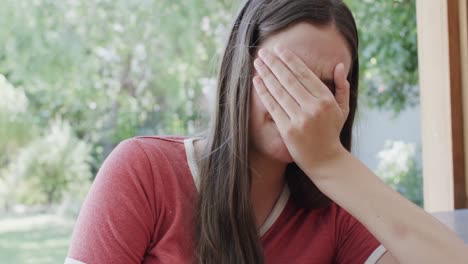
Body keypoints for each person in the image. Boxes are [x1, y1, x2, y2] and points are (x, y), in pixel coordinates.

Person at [65, 0, 468, 263]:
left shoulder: (338, 212)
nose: (306, 106)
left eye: (324, 89)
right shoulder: (145, 172)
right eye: (286, 77)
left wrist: (329, 161)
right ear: (241, 71)